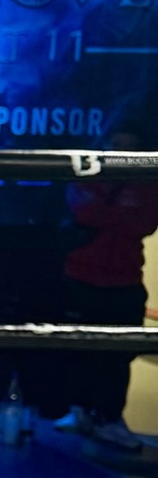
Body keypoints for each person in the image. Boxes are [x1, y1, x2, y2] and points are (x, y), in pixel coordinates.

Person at [53, 126, 158, 442]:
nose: (121, 152)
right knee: (78, 350)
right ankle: (79, 411)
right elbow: (83, 211)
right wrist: (120, 216)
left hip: (124, 280)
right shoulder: (84, 175)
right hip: (81, 276)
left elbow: (145, 224)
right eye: (116, 145)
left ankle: (110, 417)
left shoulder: (148, 183)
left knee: (118, 355)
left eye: (129, 147)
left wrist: (106, 215)